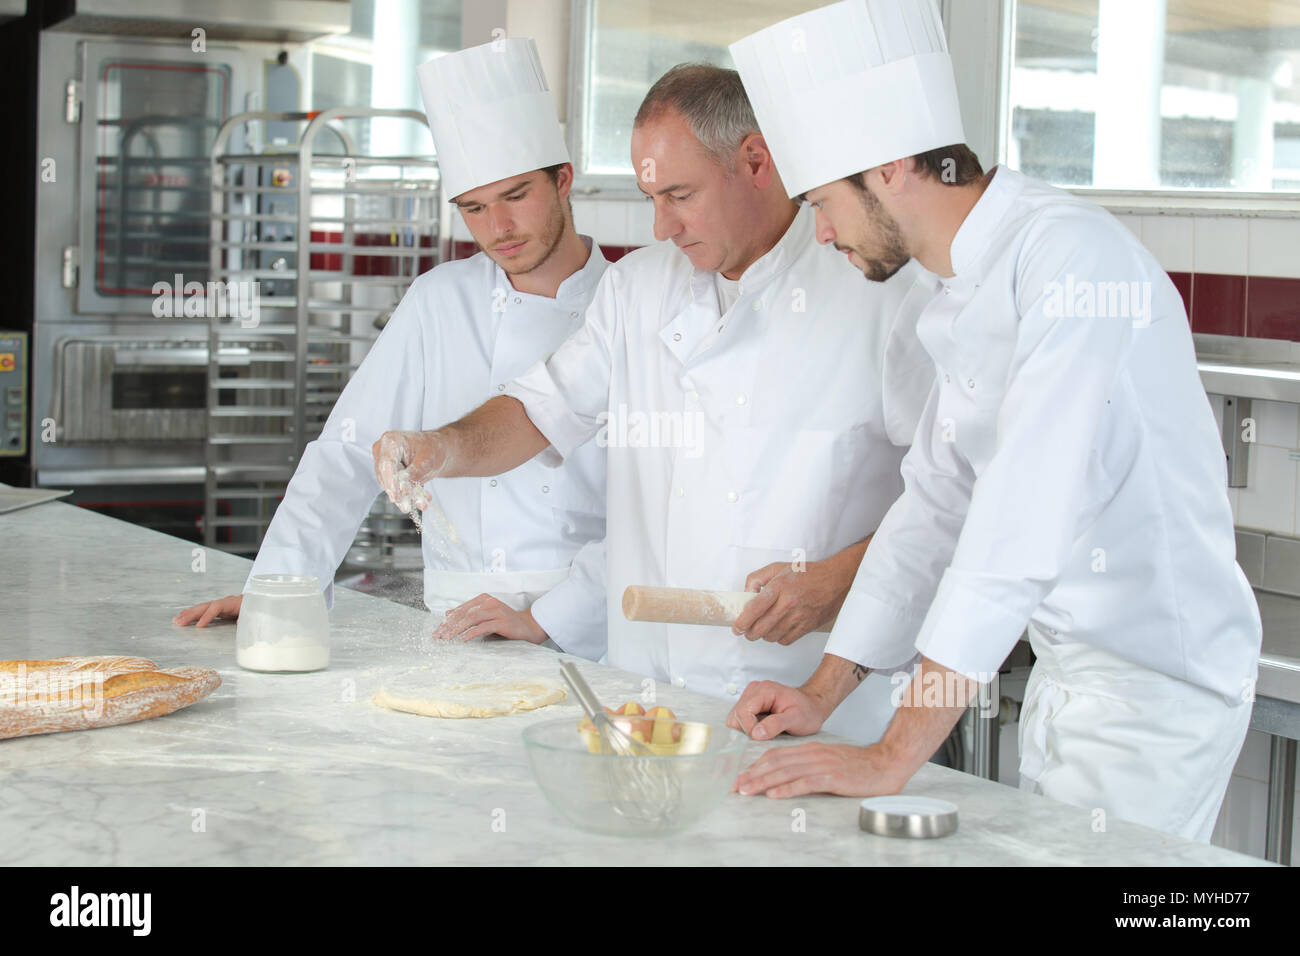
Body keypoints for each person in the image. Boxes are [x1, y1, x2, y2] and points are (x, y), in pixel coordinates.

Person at [725, 0, 1261, 841]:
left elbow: (1015, 528)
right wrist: (823, 693)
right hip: (1070, 673)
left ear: (894, 165)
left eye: (825, 201)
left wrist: (893, 752)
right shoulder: (959, 288)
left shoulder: (1072, 266)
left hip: (1156, 693)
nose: (821, 233)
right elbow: (934, 507)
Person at [372, 63, 937, 743]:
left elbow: (953, 497)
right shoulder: (639, 288)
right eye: (651, 198)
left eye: (680, 195)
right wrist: (441, 449)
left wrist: (841, 577)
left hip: (820, 709)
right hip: (651, 700)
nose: (662, 226)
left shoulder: (884, 295)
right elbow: (538, 409)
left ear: (755, 161)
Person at [174, 38, 608, 660]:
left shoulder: (630, 303)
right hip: (456, 624)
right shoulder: (439, 299)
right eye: (474, 208)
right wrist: (281, 589)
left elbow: (653, 508)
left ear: (563, 180)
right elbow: (348, 452)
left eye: (516, 197)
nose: (498, 230)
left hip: (590, 627)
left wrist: (550, 615)